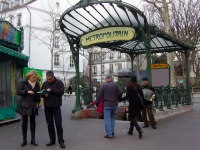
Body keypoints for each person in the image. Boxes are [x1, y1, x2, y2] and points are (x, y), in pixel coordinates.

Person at [41, 71, 65, 148]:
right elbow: (41, 93)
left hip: (56, 107)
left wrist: (51, 89)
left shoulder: (59, 83)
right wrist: (44, 94)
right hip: (47, 108)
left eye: (50, 79)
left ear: (53, 77)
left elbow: (61, 92)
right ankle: (52, 140)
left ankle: (61, 141)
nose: (48, 81)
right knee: (50, 125)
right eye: (47, 79)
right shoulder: (44, 84)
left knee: (58, 125)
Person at [16, 70, 40, 147]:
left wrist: (38, 98)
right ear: (29, 76)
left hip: (33, 105)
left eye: (36, 77)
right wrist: (27, 92)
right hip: (24, 105)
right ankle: (24, 140)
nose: (35, 79)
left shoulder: (37, 84)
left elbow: (38, 93)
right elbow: (18, 91)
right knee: (24, 123)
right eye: (34, 77)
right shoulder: (23, 82)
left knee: (33, 123)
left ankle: (33, 140)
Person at [96, 74, 122, 139]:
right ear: (111, 78)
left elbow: (99, 96)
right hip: (114, 104)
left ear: (106, 79)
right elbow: (120, 92)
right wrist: (118, 98)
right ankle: (112, 131)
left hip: (107, 105)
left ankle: (109, 134)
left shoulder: (103, 86)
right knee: (112, 118)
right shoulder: (115, 85)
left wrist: (97, 103)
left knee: (107, 120)